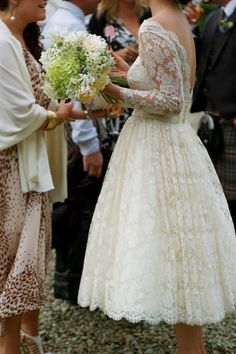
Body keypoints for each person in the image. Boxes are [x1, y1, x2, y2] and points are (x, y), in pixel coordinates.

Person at [78, 0, 236, 353]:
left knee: (167, 250)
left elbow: (169, 100)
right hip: (177, 143)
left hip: (156, 146)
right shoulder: (176, 19)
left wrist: (115, 91)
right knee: (181, 253)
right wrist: (116, 68)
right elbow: (160, 79)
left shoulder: (152, 26)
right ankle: (192, 347)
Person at [0, 0, 88, 353]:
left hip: (28, 169)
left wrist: (69, 110)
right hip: (10, 171)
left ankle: (20, 343)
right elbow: (17, 113)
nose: (46, 0)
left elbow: (36, 100)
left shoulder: (17, 38)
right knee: (11, 260)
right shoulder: (2, 42)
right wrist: (57, 116)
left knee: (25, 260)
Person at [42, 0, 110, 305]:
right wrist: (90, 146)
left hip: (72, 128)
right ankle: (74, 282)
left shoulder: (68, 20)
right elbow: (73, 92)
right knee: (79, 207)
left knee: (78, 204)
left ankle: (74, 281)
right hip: (76, 132)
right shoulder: (68, 26)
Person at [188, 0, 236, 227]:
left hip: (233, 119)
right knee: (217, 195)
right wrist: (190, 28)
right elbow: (206, 59)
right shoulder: (214, 18)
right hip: (213, 121)